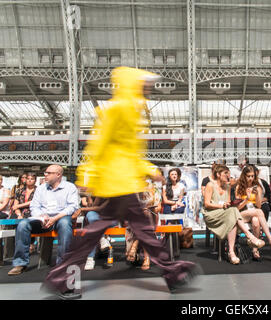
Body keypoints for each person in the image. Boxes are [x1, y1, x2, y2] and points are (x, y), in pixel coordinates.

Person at [41, 67, 198, 299]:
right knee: (128, 232)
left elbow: (126, 152)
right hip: (118, 184)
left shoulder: (131, 108)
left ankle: (172, 273)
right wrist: (88, 176)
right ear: (134, 84)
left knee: (129, 231)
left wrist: (149, 170)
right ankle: (61, 277)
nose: (149, 87)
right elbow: (100, 143)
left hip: (121, 183)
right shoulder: (120, 109)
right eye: (145, 83)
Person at [8, 165, 80, 276]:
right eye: (45, 172)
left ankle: (62, 263)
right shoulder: (41, 188)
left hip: (60, 217)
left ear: (58, 175)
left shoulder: (70, 187)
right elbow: (34, 206)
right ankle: (20, 263)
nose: (45, 174)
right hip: (42, 219)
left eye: (48, 172)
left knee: (65, 224)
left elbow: (72, 207)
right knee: (22, 224)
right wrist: (42, 216)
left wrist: (55, 218)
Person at [202, 164, 265, 265]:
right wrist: (222, 206)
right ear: (218, 174)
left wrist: (228, 205)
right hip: (211, 214)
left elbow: (228, 203)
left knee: (233, 214)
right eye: (226, 174)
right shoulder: (210, 185)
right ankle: (250, 237)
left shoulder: (227, 186)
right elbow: (207, 204)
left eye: (229, 174)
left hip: (225, 213)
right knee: (233, 212)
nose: (228, 176)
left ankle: (232, 253)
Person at [235, 165, 271, 261]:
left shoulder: (257, 187)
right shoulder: (239, 187)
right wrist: (247, 199)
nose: (251, 178)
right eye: (248, 176)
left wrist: (257, 195)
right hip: (241, 214)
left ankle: (255, 249)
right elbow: (237, 207)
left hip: (254, 214)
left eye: (252, 176)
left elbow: (259, 205)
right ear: (244, 176)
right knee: (258, 212)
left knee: (256, 221)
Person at [72, 194, 112, 271]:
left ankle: (90, 258)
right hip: (97, 217)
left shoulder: (115, 190)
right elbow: (93, 207)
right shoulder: (99, 191)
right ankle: (102, 238)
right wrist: (91, 197)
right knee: (91, 216)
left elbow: (100, 208)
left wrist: (82, 209)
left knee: (92, 226)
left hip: (111, 217)